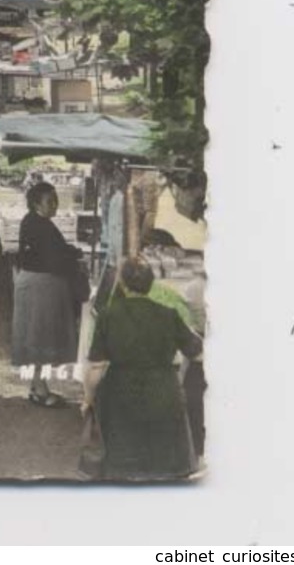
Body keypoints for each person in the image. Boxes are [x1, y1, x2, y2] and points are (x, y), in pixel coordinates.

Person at [82, 257, 204, 480]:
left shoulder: (108, 316)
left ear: (123, 284)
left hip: (121, 395)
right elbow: (198, 353)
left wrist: (88, 399)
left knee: (124, 468)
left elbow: (96, 368)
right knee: (163, 470)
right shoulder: (169, 315)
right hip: (164, 393)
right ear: (151, 284)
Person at [12, 181, 83, 407]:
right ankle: (41, 390)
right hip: (40, 285)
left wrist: (70, 252)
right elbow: (54, 257)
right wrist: (74, 256)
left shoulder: (35, 222)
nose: (54, 205)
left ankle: (37, 385)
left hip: (35, 283)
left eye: (56, 201)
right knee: (40, 335)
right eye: (49, 201)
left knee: (36, 335)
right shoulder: (40, 225)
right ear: (36, 203)